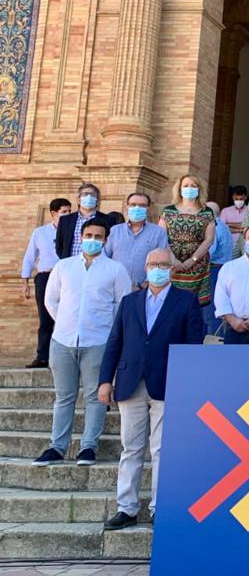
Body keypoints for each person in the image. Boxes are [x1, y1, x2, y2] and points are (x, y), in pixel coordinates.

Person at [98, 248, 201, 529]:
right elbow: (114, 342)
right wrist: (105, 380)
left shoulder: (187, 301)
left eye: (163, 264)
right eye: (153, 264)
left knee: (161, 449)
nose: (158, 268)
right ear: (145, 267)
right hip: (130, 383)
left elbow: (194, 346)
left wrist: (187, 384)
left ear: (172, 268)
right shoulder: (130, 301)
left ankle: (159, 508)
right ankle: (126, 507)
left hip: (168, 383)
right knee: (130, 448)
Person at [34, 218, 131, 467]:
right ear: (81, 237)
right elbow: (51, 300)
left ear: (106, 240)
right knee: (64, 396)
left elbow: (123, 306)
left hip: (98, 341)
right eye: (89, 235)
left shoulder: (115, 270)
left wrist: (107, 331)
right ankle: (57, 447)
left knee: (95, 397)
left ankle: (88, 447)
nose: (93, 240)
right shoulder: (63, 267)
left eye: (98, 237)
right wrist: (67, 322)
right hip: (63, 341)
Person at [22, 199, 73, 369]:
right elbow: (30, 257)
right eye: (64, 212)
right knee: (45, 317)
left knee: (67, 315)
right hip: (45, 276)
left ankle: (65, 357)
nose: (67, 215)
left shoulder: (73, 231)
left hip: (67, 276)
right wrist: (25, 281)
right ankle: (43, 356)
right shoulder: (40, 233)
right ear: (53, 213)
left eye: (69, 211)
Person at [159, 175, 215, 306]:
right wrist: (173, 259)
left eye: (193, 186)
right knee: (169, 304)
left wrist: (192, 260)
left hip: (197, 267)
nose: (189, 188)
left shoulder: (207, 212)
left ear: (199, 189)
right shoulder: (168, 211)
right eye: (186, 185)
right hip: (171, 264)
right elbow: (161, 237)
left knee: (191, 306)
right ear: (179, 189)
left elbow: (209, 239)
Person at [106, 192, 169, 288]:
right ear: (127, 206)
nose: (137, 208)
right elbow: (104, 256)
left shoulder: (158, 233)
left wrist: (145, 285)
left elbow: (162, 261)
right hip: (113, 287)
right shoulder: (114, 231)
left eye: (142, 205)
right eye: (133, 205)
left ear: (148, 208)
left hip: (142, 289)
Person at [56, 183, 121, 258]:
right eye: (85, 194)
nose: (89, 197)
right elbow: (59, 246)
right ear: (78, 200)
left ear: (97, 200)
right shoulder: (66, 220)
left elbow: (111, 245)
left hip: (98, 265)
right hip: (71, 264)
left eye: (92, 195)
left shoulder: (109, 220)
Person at [203, 201, 235, 333]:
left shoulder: (214, 227)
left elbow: (210, 250)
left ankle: (211, 339)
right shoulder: (224, 226)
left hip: (213, 269)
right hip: (222, 268)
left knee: (209, 310)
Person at [221, 185, 249, 250]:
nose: (239, 201)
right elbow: (222, 228)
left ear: (245, 197)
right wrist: (240, 229)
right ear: (233, 197)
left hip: (245, 245)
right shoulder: (225, 211)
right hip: (229, 245)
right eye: (236, 199)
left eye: (241, 199)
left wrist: (228, 224)